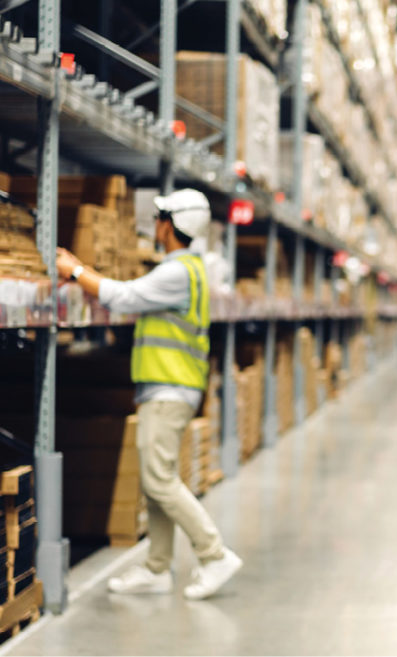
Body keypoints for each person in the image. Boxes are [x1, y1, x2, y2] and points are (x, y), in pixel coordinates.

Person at [56, 188, 243, 600]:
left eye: (160, 218)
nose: (155, 225)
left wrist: (75, 270)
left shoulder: (177, 273)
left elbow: (124, 297)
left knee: (159, 481)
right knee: (158, 480)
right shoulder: (188, 269)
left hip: (169, 389)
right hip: (169, 387)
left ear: (171, 225)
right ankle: (158, 567)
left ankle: (213, 554)